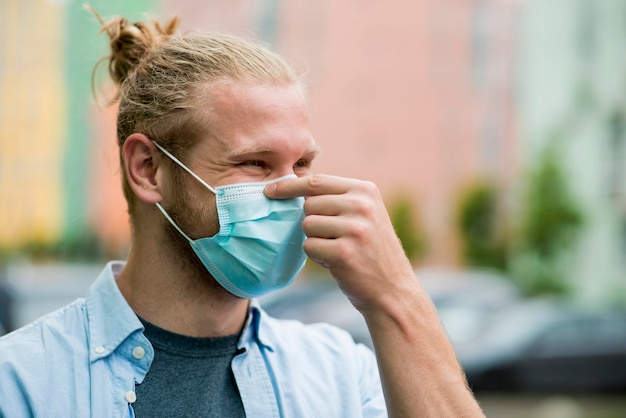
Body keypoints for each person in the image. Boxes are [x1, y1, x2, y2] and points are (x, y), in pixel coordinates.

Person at [0, 9, 484, 418]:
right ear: (148, 169)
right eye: (254, 163)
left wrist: (395, 297)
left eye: (302, 164)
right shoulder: (21, 383)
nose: (288, 189)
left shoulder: (339, 375)